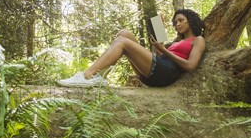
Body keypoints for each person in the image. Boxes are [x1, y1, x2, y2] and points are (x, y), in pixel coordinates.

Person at [58, 9, 206, 88]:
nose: (177, 24)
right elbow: (159, 56)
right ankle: (99, 76)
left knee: (122, 41)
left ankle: (87, 76)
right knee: (124, 34)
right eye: (175, 23)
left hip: (166, 74)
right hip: (158, 69)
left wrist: (164, 50)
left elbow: (190, 65)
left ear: (190, 20)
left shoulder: (198, 40)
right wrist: (158, 41)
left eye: (181, 20)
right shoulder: (177, 41)